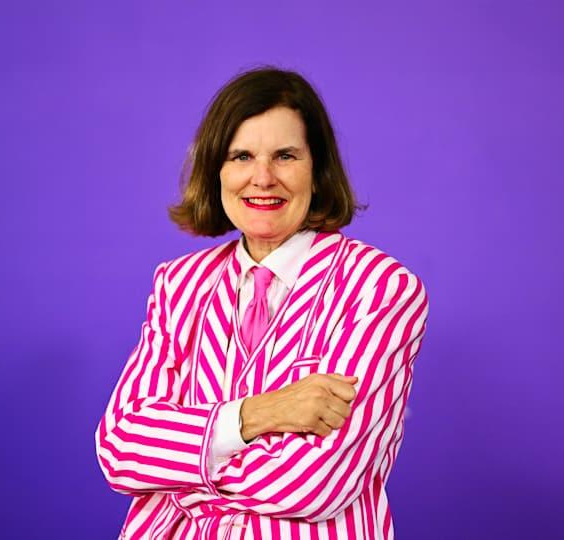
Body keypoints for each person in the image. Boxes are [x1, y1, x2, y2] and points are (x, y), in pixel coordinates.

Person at [95, 67, 429, 540]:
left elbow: (317, 482)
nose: (263, 178)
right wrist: (261, 413)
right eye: (242, 156)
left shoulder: (378, 288)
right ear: (217, 170)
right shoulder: (179, 284)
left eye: (285, 156)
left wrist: (179, 469)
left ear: (318, 170)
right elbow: (121, 449)